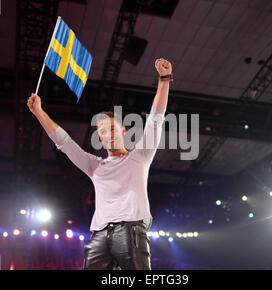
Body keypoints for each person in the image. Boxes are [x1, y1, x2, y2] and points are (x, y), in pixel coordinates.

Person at [27, 58, 173, 270]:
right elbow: (64, 142)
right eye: (103, 132)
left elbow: (155, 119)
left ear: (123, 131)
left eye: (112, 129)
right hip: (99, 236)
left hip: (131, 231)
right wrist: (39, 112)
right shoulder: (94, 165)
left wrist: (164, 79)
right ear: (100, 139)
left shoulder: (140, 155)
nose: (108, 134)